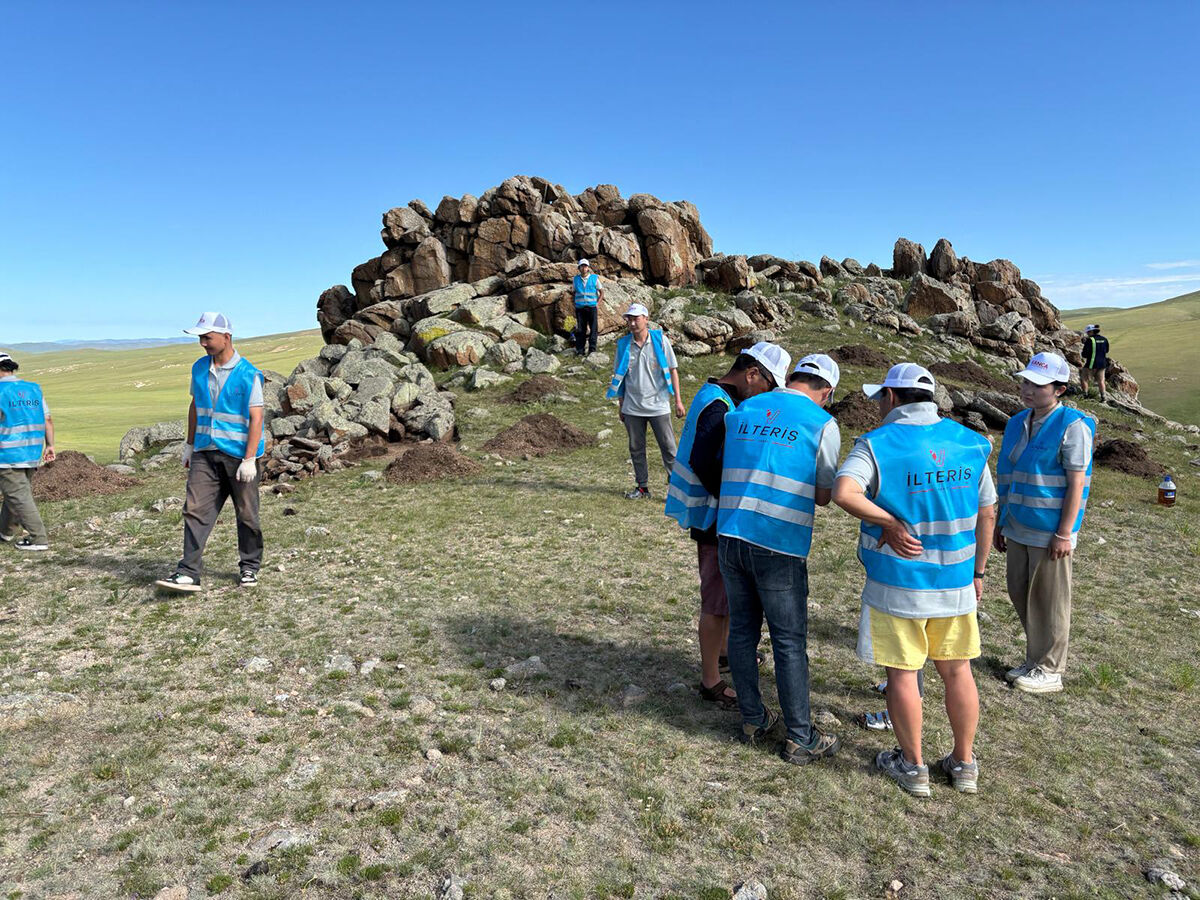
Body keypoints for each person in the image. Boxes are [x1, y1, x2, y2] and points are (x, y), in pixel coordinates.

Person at [833, 363, 996, 796]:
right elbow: (987, 512)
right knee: (958, 671)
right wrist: (978, 572)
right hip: (957, 582)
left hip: (897, 583)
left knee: (904, 674)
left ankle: (913, 765)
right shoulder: (971, 443)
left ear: (891, 398)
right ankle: (964, 763)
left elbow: (843, 492)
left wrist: (887, 521)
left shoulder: (876, 444)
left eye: (879, 398)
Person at [717, 352, 842, 766]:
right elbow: (824, 497)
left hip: (731, 533)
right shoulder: (822, 423)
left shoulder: (745, 407)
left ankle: (753, 719)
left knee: (742, 631)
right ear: (826, 392)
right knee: (788, 641)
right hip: (779, 542)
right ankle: (800, 737)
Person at [664, 342, 791, 709]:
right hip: (713, 517)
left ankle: (722, 653)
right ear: (751, 374)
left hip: (715, 515)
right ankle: (710, 680)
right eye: (767, 385)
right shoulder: (718, 407)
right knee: (717, 601)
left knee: (724, 595)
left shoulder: (715, 397)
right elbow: (705, 463)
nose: (766, 394)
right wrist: (736, 498)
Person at [994, 351, 1096, 695]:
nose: (1028, 389)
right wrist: (1000, 522)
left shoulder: (1073, 426)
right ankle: (1035, 658)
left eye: (1037, 384)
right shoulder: (1017, 422)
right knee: (1020, 591)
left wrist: (1065, 533)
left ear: (1060, 389)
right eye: (1025, 381)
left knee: (1049, 601)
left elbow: (1076, 483)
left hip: (1050, 531)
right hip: (1017, 525)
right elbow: (1008, 475)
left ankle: (1050, 669)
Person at [155, 312, 266, 593]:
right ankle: (189, 572)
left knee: (247, 514)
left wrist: (250, 459)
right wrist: (190, 445)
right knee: (194, 510)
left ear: (226, 337)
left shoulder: (248, 374)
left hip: (239, 456)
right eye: (200, 338)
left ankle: (249, 567)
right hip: (205, 451)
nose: (203, 343)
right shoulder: (198, 368)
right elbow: (195, 406)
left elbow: (256, 418)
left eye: (207, 337)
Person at [606, 303, 685, 499]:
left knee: (669, 448)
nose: (632, 323)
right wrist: (621, 404)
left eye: (636, 318)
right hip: (632, 407)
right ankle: (642, 488)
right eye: (629, 319)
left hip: (658, 405)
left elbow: (673, 370)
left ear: (646, 319)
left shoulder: (660, 341)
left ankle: (677, 489)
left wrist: (678, 401)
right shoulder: (624, 345)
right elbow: (620, 376)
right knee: (636, 448)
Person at [0, 352, 55, 552]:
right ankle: (5, 532)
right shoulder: (33, 388)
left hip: (7, 453)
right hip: (32, 452)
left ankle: (38, 538)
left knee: (18, 496)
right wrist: (50, 445)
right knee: (15, 493)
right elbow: (47, 419)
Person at [572, 258, 604, 356]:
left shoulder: (594, 278)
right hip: (580, 309)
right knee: (581, 330)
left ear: (588, 268)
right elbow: (574, 292)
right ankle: (580, 350)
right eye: (582, 266)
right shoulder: (575, 279)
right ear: (579, 268)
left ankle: (592, 350)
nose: (584, 268)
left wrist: (598, 303)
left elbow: (602, 292)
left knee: (593, 328)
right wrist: (575, 304)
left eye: (585, 266)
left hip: (591, 308)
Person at [1079, 324, 1110, 402]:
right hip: (1102, 364)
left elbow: (1085, 354)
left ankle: (1085, 395)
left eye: (1088, 332)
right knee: (1101, 381)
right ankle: (1103, 397)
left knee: (1084, 379)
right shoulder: (1104, 339)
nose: (1088, 334)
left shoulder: (1090, 340)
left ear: (1092, 331)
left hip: (1091, 364)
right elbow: (1107, 350)